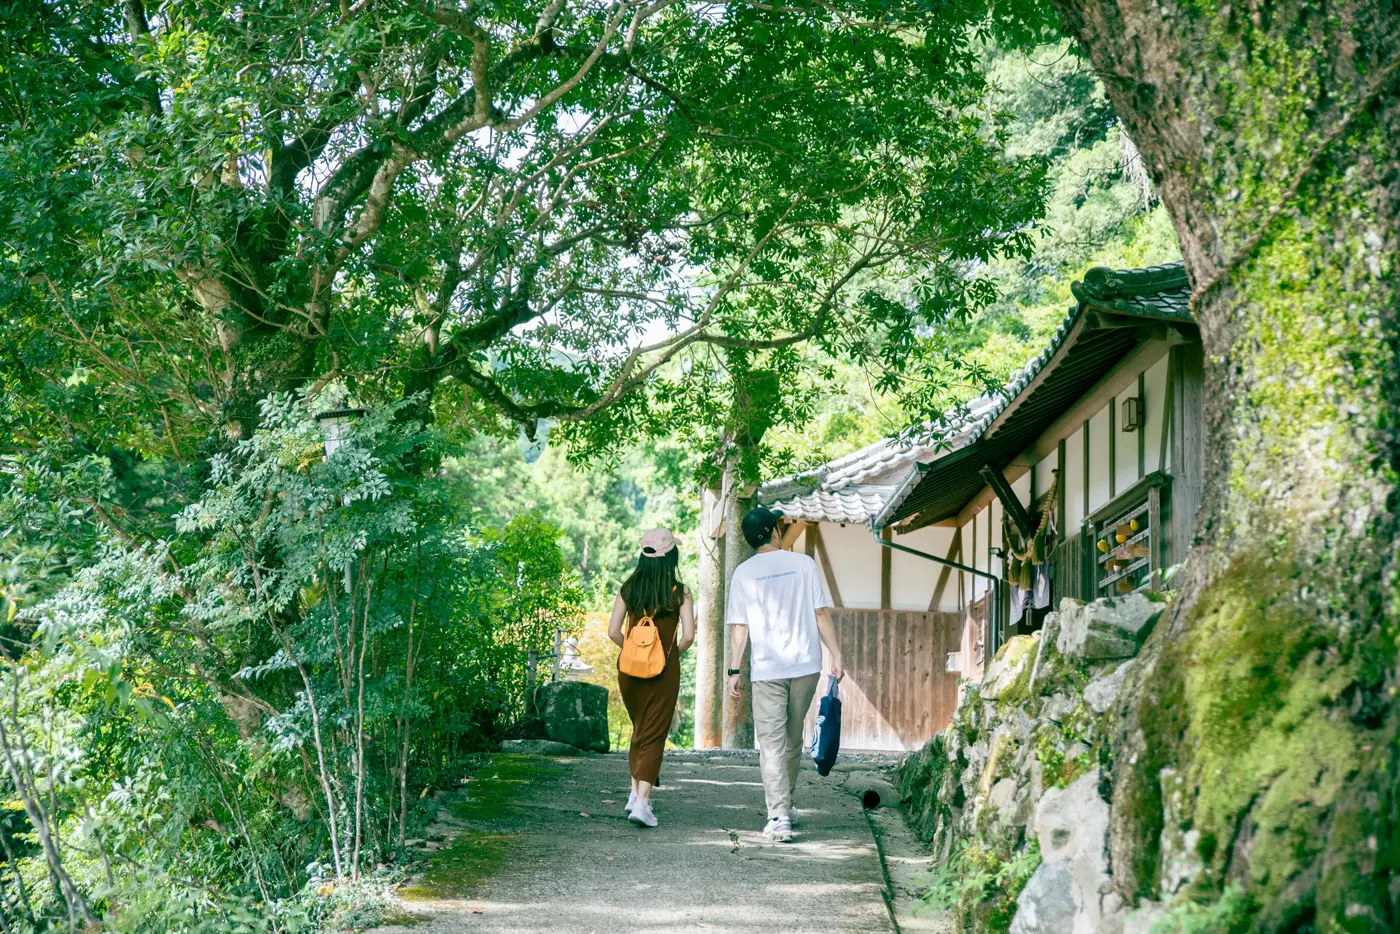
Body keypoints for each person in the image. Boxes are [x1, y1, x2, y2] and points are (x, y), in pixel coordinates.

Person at [726, 505, 843, 843]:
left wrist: (734, 670)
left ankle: (779, 815)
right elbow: (820, 613)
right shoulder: (803, 564)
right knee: (791, 739)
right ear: (774, 532)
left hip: (767, 669)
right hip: (806, 665)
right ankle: (784, 807)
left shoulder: (744, 573)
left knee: (772, 744)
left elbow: (739, 628)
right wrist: (836, 654)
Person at [608, 528, 695, 828]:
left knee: (640, 729)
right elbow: (689, 636)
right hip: (664, 671)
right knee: (655, 734)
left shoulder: (629, 587)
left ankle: (634, 794)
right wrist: (666, 658)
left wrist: (634, 652)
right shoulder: (679, 591)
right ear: (671, 555)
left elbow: (612, 631)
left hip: (629, 671)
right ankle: (642, 804)